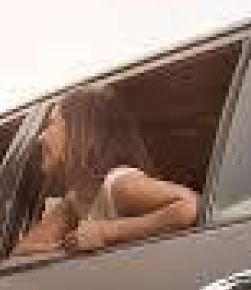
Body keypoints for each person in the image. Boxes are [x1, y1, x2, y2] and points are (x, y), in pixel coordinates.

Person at [14, 85, 197, 255]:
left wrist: (107, 232)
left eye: (51, 124)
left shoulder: (118, 185)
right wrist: (66, 245)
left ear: (80, 131)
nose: (40, 137)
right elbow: (21, 252)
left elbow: (191, 205)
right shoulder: (78, 198)